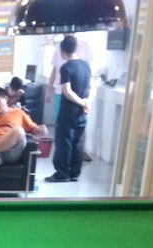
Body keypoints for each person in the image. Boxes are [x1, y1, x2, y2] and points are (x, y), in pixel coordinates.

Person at [46, 35, 92, 183]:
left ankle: (62, 173)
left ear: (62, 51)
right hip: (82, 112)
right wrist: (86, 103)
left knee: (64, 141)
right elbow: (91, 87)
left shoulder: (66, 67)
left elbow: (67, 91)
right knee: (77, 141)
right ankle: (74, 173)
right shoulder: (85, 65)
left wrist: (82, 103)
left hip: (69, 110)